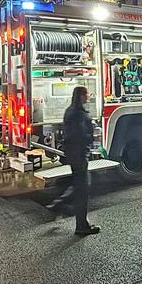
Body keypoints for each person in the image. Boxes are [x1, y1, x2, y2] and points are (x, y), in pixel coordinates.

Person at [61, 86, 100, 236]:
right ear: (82, 96)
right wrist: (93, 137)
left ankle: (82, 223)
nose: (88, 96)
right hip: (79, 154)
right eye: (87, 94)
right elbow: (81, 135)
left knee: (80, 186)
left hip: (73, 154)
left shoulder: (70, 111)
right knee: (82, 189)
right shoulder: (79, 114)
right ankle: (82, 226)